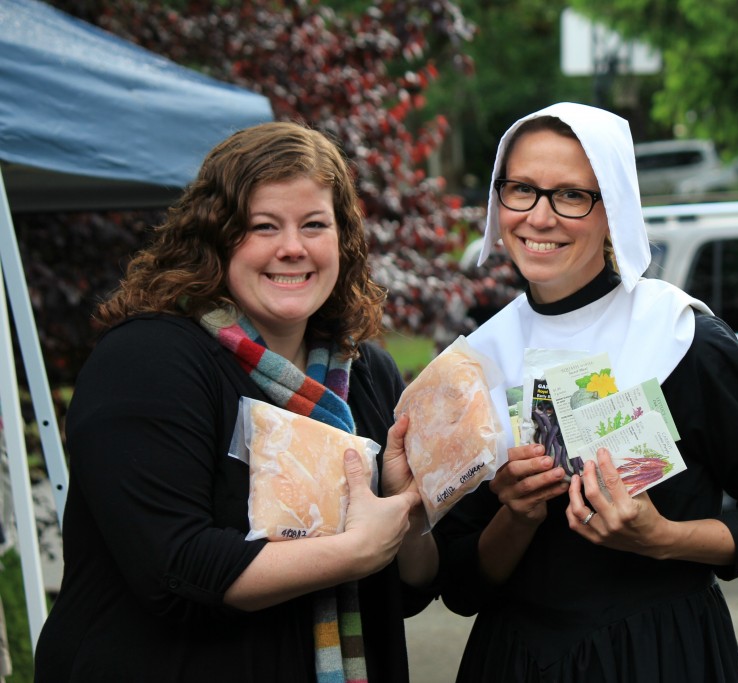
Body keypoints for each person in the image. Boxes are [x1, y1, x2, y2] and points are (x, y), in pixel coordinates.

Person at [34, 121, 437, 683]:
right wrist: (354, 550)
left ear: (342, 239)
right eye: (263, 226)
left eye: (314, 224)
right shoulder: (146, 361)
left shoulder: (367, 374)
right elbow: (176, 568)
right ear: (215, 237)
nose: (292, 247)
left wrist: (406, 508)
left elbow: (410, 590)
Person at [433, 102, 738, 682]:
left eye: (571, 195)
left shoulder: (683, 339)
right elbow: (460, 588)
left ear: (613, 208)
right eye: (522, 190)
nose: (540, 217)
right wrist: (517, 515)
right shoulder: (476, 363)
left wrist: (663, 538)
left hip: (662, 653)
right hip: (518, 660)